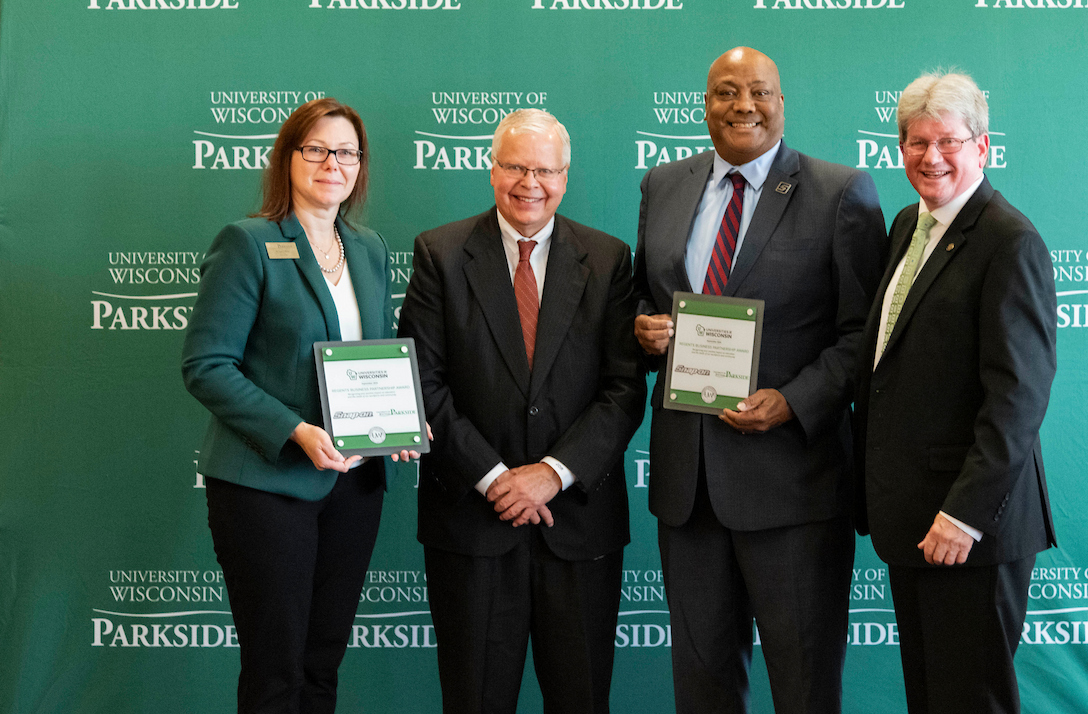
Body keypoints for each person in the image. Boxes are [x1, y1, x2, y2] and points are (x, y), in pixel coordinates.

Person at [632, 47, 887, 713]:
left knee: (803, 683)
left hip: (793, 488)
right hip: (689, 490)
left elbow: (864, 334)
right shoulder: (662, 184)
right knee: (702, 682)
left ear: (782, 102)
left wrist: (794, 400)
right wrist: (644, 328)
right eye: (724, 92)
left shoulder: (840, 191)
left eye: (759, 92)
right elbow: (641, 294)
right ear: (705, 104)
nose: (742, 105)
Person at [398, 109, 645, 714]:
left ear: (566, 176)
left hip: (578, 525)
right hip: (472, 522)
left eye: (544, 169)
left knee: (583, 699)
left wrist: (552, 473)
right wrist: (495, 477)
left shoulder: (609, 258)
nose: (529, 182)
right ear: (490, 170)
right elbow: (422, 383)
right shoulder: (441, 253)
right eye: (514, 166)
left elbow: (624, 389)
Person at [182, 97, 411, 714]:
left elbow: (374, 358)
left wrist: (395, 424)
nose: (331, 163)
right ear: (288, 159)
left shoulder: (368, 247)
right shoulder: (249, 242)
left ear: (360, 167)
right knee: (275, 671)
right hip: (268, 487)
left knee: (322, 662)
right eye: (315, 149)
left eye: (346, 153)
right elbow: (206, 366)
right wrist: (295, 430)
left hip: (356, 486)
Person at [852, 71, 1057, 713]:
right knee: (932, 699)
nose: (930, 157)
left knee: (971, 700)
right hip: (912, 516)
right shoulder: (906, 228)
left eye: (947, 141)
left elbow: (1018, 397)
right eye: (916, 142)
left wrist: (964, 513)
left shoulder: (1008, 240)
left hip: (970, 528)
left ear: (983, 148)